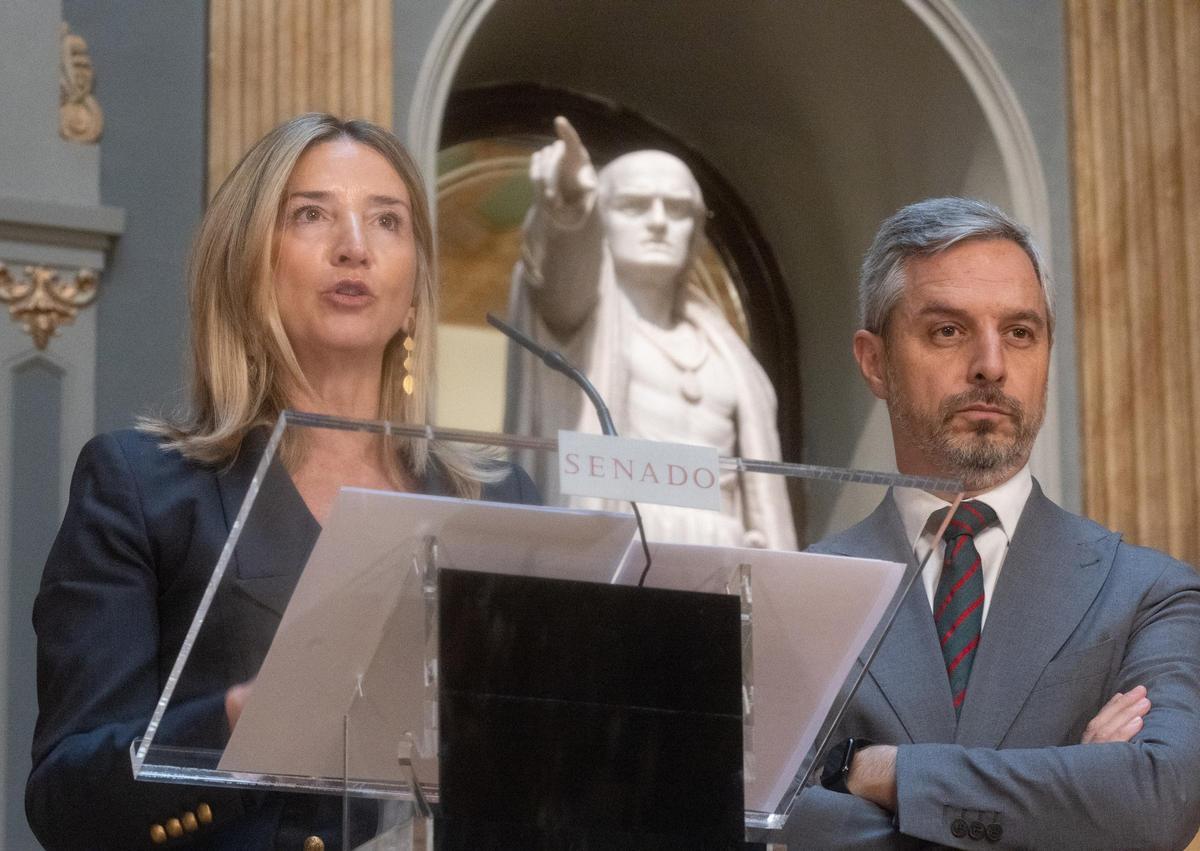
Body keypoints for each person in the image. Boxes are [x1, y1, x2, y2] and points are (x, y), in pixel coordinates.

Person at [25, 114, 538, 850]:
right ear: (249, 260)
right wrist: (241, 720)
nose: (354, 246)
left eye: (386, 221)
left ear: (415, 283)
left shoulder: (498, 500)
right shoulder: (141, 489)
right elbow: (66, 801)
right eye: (312, 215)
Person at [786, 197, 1200, 849]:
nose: (991, 364)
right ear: (874, 361)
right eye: (948, 330)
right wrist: (1075, 802)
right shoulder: (796, 595)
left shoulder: (1149, 593)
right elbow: (784, 820)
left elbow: (1156, 800)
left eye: (1020, 332)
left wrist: (877, 770)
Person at [508, 116, 796, 550]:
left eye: (676, 209)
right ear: (602, 218)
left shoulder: (726, 351)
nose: (658, 221)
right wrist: (571, 208)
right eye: (634, 206)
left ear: (695, 230)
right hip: (612, 553)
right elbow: (562, 276)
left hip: (728, 559)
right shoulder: (581, 322)